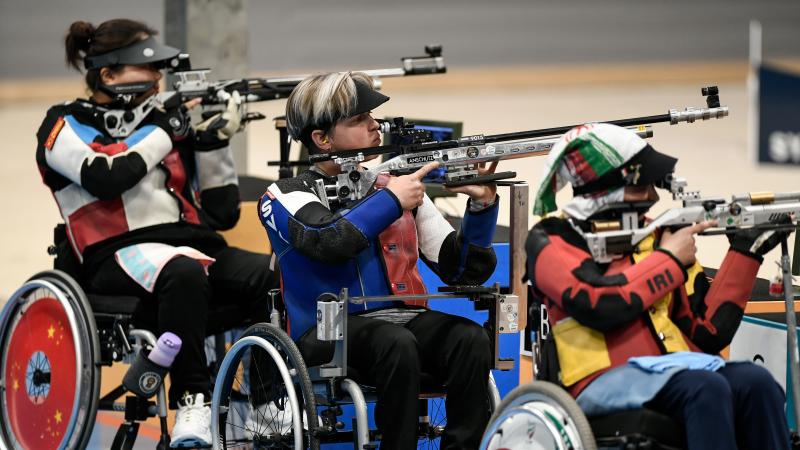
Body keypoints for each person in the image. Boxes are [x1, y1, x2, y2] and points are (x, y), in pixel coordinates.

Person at [37, 19, 276, 447]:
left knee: (273, 274)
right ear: (108, 74)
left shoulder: (163, 119)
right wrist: (168, 128)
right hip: (114, 253)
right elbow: (106, 176)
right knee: (182, 272)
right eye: (145, 68)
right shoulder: (62, 123)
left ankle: (266, 405)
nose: (157, 79)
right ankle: (192, 401)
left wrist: (214, 141)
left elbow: (221, 214)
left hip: (192, 244)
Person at [258, 71, 499, 449]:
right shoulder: (284, 193)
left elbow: (464, 269)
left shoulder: (393, 186)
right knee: (395, 342)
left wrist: (481, 205)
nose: (375, 126)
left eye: (373, 117)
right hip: (323, 333)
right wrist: (391, 200)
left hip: (399, 323)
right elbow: (327, 240)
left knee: (469, 339)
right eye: (358, 120)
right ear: (322, 139)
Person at [526, 123, 791, 449]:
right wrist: (668, 258)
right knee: (705, 388)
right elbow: (600, 304)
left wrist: (744, 253)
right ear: (607, 187)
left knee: (756, 383)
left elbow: (707, 333)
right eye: (641, 187)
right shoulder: (553, 238)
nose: (652, 197)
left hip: (677, 369)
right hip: (596, 380)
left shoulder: (656, 235)